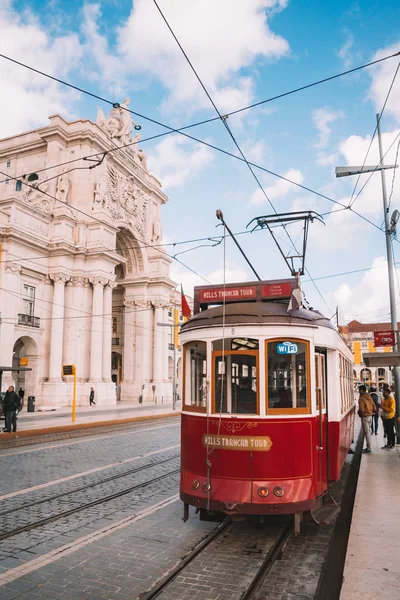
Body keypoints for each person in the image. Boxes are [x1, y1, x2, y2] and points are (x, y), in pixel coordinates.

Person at [358, 385, 375, 454]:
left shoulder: (361, 398)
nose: (359, 391)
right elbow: (374, 407)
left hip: (365, 417)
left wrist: (359, 413)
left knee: (366, 433)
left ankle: (369, 448)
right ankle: (369, 447)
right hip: (370, 416)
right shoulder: (369, 396)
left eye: (359, 390)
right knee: (368, 431)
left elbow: (361, 409)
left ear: (361, 390)